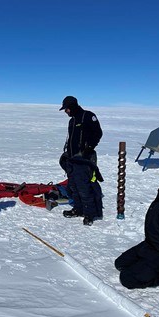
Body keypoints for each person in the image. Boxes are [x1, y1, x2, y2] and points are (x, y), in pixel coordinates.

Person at [59, 96, 103, 226]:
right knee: (73, 186)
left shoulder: (88, 116)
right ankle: (78, 209)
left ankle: (89, 214)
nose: (65, 112)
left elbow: (98, 133)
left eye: (66, 109)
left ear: (71, 107)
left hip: (83, 160)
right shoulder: (72, 121)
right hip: (72, 159)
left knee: (84, 188)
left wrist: (88, 148)